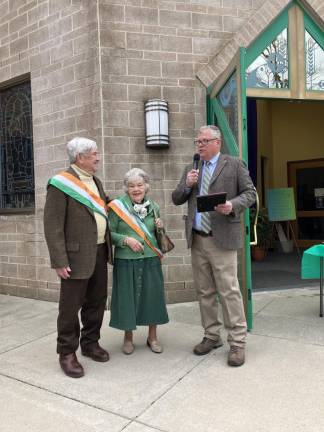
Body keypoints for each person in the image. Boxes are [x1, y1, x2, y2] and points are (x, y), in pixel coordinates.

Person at [172, 125, 256, 367]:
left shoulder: (234, 164)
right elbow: (177, 198)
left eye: (204, 141)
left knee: (229, 291)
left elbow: (250, 194)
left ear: (217, 142)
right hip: (197, 238)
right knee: (204, 291)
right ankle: (211, 336)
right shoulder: (192, 168)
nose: (199, 145)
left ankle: (238, 343)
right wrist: (187, 185)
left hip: (222, 238)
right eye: (197, 141)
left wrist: (232, 205)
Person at [44, 137, 113, 378]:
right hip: (74, 257)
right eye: (94, 153)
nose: (98, 157)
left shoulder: (96, 181)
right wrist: (59, 260)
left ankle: (90, 343)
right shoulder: (61, 183)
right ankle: (66, 352)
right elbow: (52, 226)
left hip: (100, 251)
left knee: (96, 300)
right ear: (80, 157)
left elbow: (102, 206)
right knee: (70, 307)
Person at [107, 168, 169, 355]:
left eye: (140, 185)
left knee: (153, 297)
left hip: (150, 259)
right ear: (126, 188)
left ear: (146, 187)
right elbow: (109, 233)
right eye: (132, 186)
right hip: (126, 260)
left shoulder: (154, 207)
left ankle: (152, 337)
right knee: (128, 299)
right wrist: (126, 240)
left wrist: (160, 229)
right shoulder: (117, 207)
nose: (136, 189)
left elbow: (159, 239)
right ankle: (128, 337)